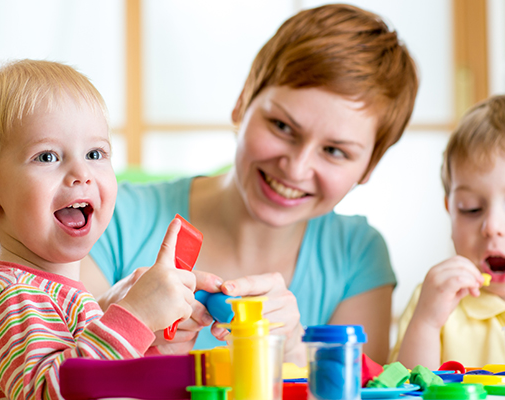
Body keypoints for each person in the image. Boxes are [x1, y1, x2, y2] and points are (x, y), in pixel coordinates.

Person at [81, 3, 419, 366]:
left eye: (335, 151)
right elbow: (47, 373)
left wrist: (295, 354)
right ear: (242, 103)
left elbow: (362, 387)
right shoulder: (111, 216)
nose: (296, 167)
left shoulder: (357, 254)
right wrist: (115, 317)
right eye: (282, 127)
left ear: (369, 166)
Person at [0, 59, 197, 399]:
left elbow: (104, 381)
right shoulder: (12, 297)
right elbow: (53, 391)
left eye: (95, 153)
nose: (81, 173)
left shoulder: (64, 295)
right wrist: (134, 317)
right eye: (48, 157)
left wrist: (152, 338)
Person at [391, 94, 505, 369]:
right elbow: (403, 389)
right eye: (471, 209)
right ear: (449, 209)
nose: (492, 227)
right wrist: (426, 323)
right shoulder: (435, 300)